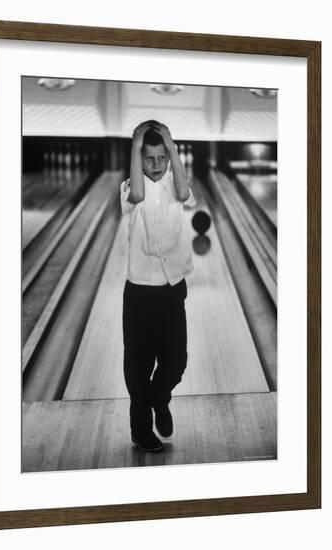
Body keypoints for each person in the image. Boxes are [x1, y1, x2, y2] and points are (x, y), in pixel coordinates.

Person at [120, 120, 197, 452]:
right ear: (139, 159)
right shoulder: (129, 187)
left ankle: (159, 399)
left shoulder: (176, 185)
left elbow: (183, 192)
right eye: (148, 158)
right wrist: (136, 144)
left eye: (160, 158)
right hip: (140, 291)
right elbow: (137, 194)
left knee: (176, 361)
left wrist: (171, 146)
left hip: (172, 287)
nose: (155, 165)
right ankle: (141, 430)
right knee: (139, 364)